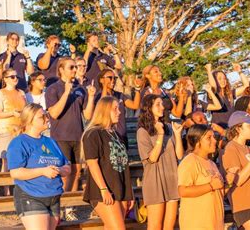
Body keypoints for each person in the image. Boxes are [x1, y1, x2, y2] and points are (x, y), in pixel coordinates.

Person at [45, 57, 95, 220]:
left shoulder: (80, 89)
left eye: (76, 67)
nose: (75, 70)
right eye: (71, 67)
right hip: (60, 137)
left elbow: (87, 115)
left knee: (76, 172)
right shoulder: (53, 89)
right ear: (61, 69)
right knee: (64, 173)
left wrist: (92, 97)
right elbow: (54, 113)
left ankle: (69, 207)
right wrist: (66, 92)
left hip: (77, 136)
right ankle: (59, 206)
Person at [7, 103, 71, 230]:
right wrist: (43, 171)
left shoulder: (50, 141)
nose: (47, 118)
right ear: (30, 120)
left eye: (47, 115)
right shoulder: (19, 142)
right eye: (43, 116)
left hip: (53, 197)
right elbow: (15, 173)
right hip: (31, 195)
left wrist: (60, 170)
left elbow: (67, 165)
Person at [82, 96, 134, 230]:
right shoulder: (93, 134)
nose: (119, 112)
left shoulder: (117, 135)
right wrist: (104, 189)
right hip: (103, 189)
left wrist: (129, 193)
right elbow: (92, 164)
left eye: (119, 108)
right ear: (105, 111)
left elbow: (124, 166)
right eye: (115, 109)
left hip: (120, 188)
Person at [137, 94, 184, 230]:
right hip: (155, 180)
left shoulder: (169, 126)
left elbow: (179, 154)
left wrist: (177, 135)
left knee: (169, 226)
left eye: (161, 104)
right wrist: (160, 134)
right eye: (158, 104)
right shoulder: (142, 131)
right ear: (148, 108)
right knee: (155, 226)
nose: (162, 107)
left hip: (171, 178)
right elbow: (152, 158)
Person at [178, 124, 225, 230]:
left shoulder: (211, 163)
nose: (214, 140)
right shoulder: (190, 161)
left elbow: (218, 193)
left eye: (213, 137)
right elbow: (183, 191)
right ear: (197, 141)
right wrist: (211, 186)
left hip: (215, 223)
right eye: (209, 138)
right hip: (197, 224)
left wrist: (229, 182)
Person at [0, 68, 26, 191]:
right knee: (6, 161)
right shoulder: (0, 93)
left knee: (21, 160)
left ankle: (20, 189)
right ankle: (6, 191)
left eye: (16, 76)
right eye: (12, 77)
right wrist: (12, 113)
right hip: (6, 129)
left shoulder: (21, 93)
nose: (15, 79)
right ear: (5, 79)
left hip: (21, 130)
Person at [96, 68, 140, 145]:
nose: (113, 80)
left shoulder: (119, 95)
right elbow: (103, 103)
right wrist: (105, 86)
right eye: (110, 78)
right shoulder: (97, 96)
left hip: (121, 135)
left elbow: (135, 105)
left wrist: (137, 88)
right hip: (106, 136)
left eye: (114, 78)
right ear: (101, 80)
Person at [205, 63, 249, 128]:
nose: (223, 80)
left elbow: (246, 86)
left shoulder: (230, 94)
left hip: (232, 128)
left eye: (224, 78)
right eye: (219, 79)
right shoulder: (213, 94)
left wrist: (239, 71)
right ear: (214, 80)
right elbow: (213, 86)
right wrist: (209, 71)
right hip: (219, 129)